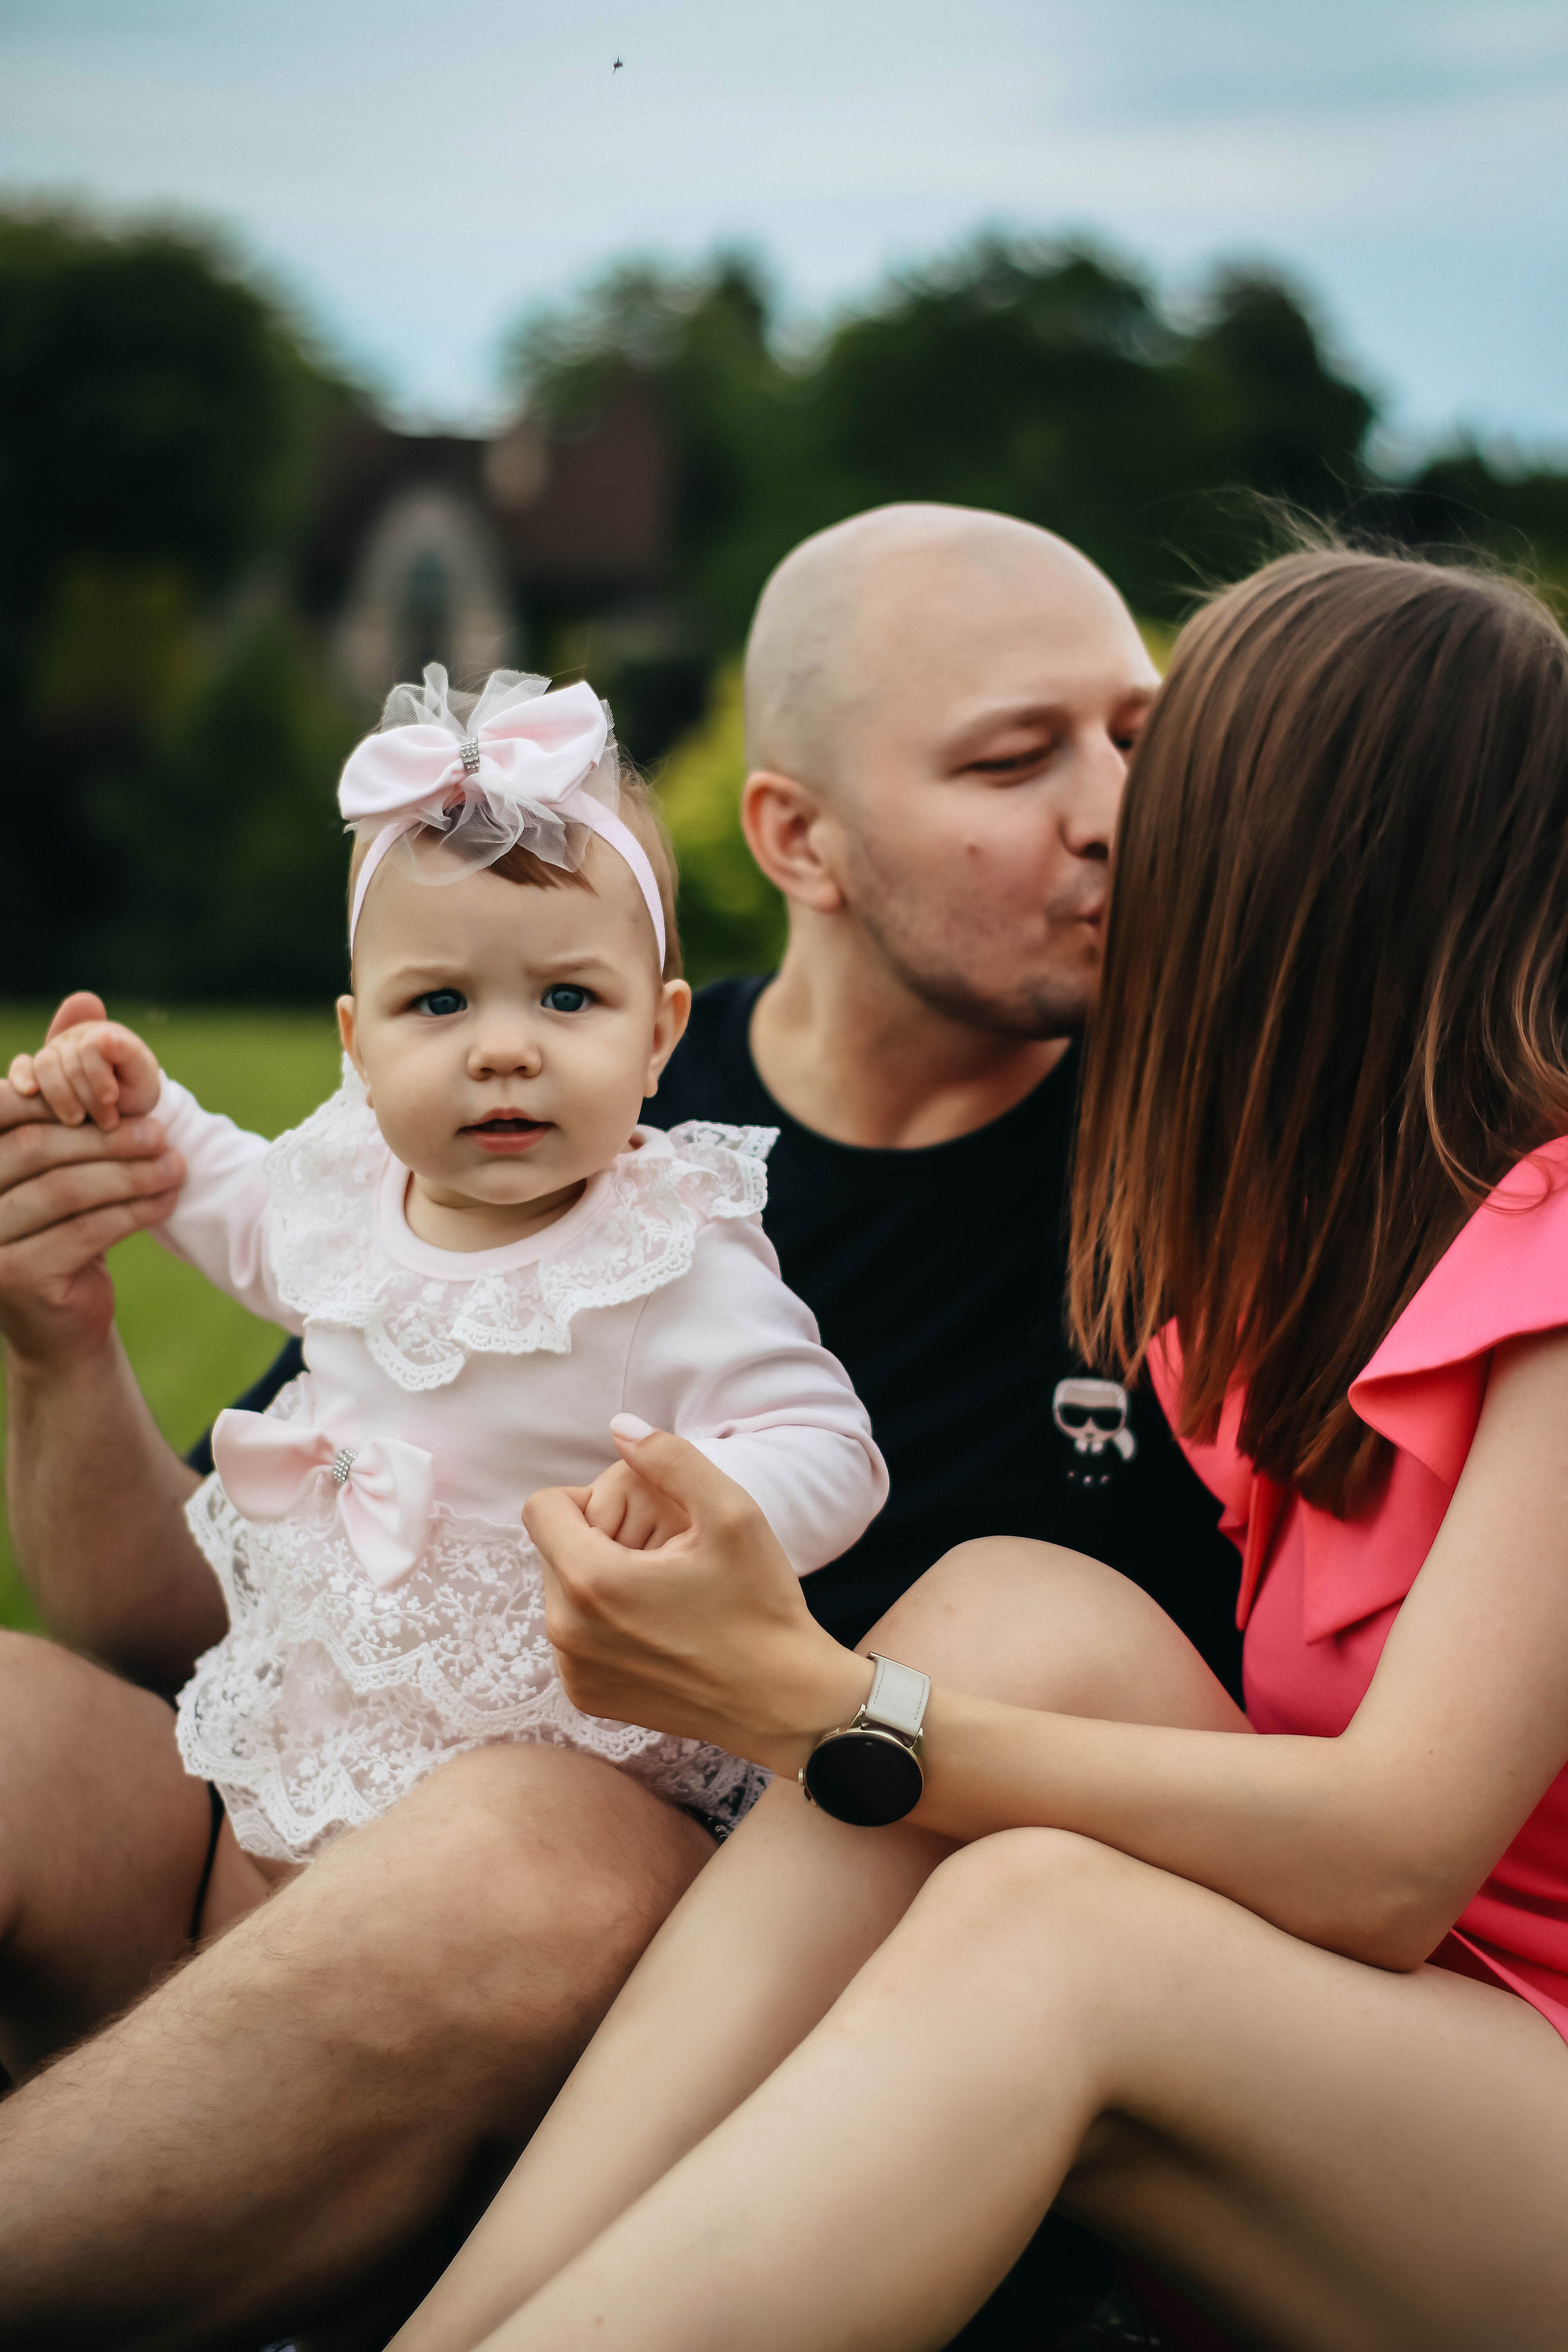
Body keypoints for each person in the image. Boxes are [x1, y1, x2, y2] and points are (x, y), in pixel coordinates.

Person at [0, 505, 1218, 2348]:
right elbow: (169, 1621)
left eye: (1139, 733)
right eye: (1013, 754)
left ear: (635, 1018)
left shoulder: (1189, 1182)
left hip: (707, 2000)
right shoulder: (492, 1128)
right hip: (294, 1821)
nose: (1117, 806)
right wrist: (59, 1337)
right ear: (794, 833)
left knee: (524, 1841)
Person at [388, 546, 1568, 2352]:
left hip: (1516, 2075)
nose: (1110, 834)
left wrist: (818, 1709)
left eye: (1163, 783)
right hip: (1421, 2035)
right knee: (1018, 1607)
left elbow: (1401, 1858)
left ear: (1297, 883)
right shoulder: (1275, 1269)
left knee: (1049, 1921)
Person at [10, 664, 883, 1879]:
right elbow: (215, 1190)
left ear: (659, 1036)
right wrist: (127, 1103)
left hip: (549, 1767)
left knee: (440, 1902)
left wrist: (707, 1490)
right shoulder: (341, 1198)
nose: (507, 1050)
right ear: (356, 1041)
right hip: (327, 1703)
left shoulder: (661, 1257)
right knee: (265, 1900)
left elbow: (830, 1446)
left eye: (569, 997)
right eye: (439, 1004)